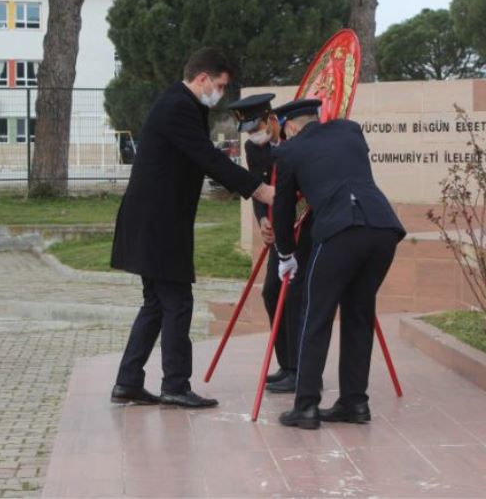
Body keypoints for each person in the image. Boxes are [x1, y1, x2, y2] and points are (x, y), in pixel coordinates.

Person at [110, 47, 274, 408]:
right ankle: (175, 385)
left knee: (155, 303)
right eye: (219, 85)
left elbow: (200, 158)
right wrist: (258, 188)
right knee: (176, 302)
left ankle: (128, 381)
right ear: (202, 78)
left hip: (153, 220)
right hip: (158, 223)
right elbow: (208, 157)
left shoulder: (181, 104)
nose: (220, 93)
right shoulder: (179, 107)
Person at [271, 99, 406, 429]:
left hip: (340, 232)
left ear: (289, 126)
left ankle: (305, 406)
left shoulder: (288, 153)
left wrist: (285, 255)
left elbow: (284, 210)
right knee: (359, 314)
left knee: (314, 315)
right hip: (383, 228)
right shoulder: (350, 130)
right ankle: (354, 403)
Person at [227, 94, 314, 393]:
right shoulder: (255, 148)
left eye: (257, 128)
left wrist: (285, 221)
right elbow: (257, 186)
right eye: (250, 132)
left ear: (273, 120)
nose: (255, 136)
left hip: (307, 229)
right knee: (271, 293)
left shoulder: (297, 140)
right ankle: (286, 365)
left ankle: (302, 369)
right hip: (280, 232)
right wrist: (264, 220)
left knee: (294, 297)